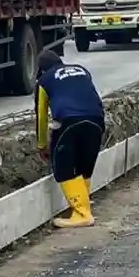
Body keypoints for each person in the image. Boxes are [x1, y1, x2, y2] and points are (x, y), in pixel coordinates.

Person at [35, 50, 106, 229]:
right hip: (96, 119)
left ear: (41, 69)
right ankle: (84, 203)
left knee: (63, 166)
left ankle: (82, 214)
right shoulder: (82, 70)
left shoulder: (44, 81)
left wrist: (42, 145)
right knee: (84, 164)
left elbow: (41, 116)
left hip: (69, 121)